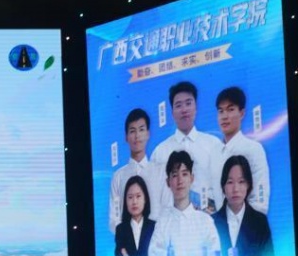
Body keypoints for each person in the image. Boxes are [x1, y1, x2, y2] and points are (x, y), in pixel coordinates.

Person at [148, 150, 221, 256]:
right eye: (175, 175)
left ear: (192, 178)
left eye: (184, 174)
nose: (180, 181)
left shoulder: (205, 221)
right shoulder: (162, 222)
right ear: (168, 182)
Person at [150, 81, 220, 212]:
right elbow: (155, 195)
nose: (184, 110)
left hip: (210, 218)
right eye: (178, 105)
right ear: (172, 112)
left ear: (196, 107)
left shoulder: (214, 145)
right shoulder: (160, 152)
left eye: (188, 103)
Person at [212, 155, 274, 256]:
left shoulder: (260, 222)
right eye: (230, 182)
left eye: (241, 181)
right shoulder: (211, 223)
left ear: (248, 185)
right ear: (223, 186)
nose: (235, 189)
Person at [108, 108, 167, 233]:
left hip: (157, 240)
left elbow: (167, 209)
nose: (137, 136)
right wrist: (128, 238)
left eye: (141, 129)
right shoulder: (118, 176)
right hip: (127, 242)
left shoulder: (161, 172)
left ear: (148, 134)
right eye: (132, 131)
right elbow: (114, 218)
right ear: (126, 137)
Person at [211, 86, 269, 214]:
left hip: (247, 223)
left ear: (242, 113)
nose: (224, 116)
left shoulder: (253, 149)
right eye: (221, 111)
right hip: (219, 224)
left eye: (230, 109)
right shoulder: (214, 152)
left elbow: (260, 201)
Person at [114, 175, 156, 256]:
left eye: (138, 196)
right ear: (125, 201)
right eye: (130, 197)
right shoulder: (121, 230)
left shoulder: (154, 227)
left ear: (145, 199)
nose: (134, 201)